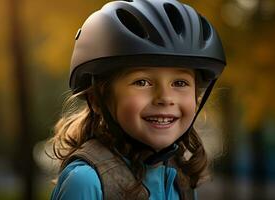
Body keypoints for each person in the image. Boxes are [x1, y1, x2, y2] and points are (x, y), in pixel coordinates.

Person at [49, 0, 226, 199]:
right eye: (142, 82)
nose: (165, 98)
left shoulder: (180, 179)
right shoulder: (86, 182)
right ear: (98, 100)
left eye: (179, 83)